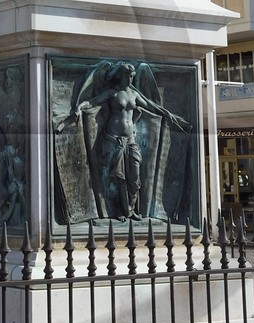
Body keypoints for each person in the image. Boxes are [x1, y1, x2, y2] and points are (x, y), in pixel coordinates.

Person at [61, 61, 188, 220]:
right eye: (128, 76)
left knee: (134, 178)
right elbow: (93, 101)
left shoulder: (134, 94)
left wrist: (166, 113)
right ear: (120, 76)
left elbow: (150, 106)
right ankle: (118, 211)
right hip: (114, 140)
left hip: (130, 140)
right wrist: (79, 107)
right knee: (117, 178)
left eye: (132, 76)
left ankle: (130, 209)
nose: (130, 79)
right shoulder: (112, 93)